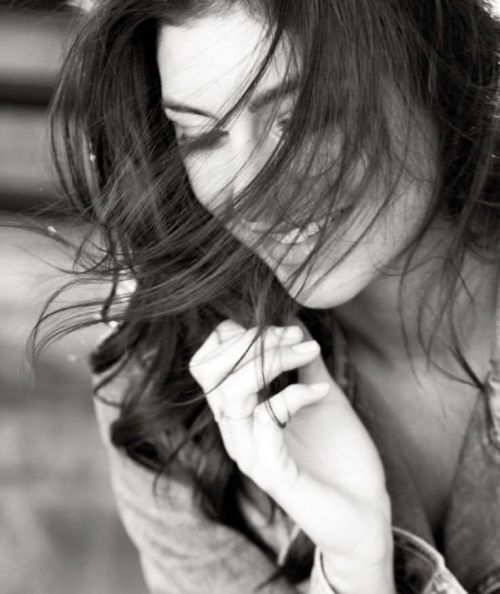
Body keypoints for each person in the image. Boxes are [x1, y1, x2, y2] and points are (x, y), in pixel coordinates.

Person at [37, 0, 500, 592]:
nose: (252, 191)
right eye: (201, 135)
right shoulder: (168, 395)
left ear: (433, 68)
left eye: (302, 117)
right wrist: (354, 564)